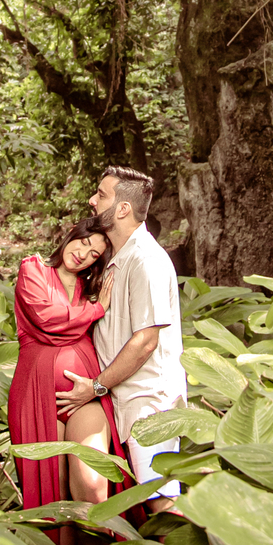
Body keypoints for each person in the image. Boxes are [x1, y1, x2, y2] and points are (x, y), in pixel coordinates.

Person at [7, 217, 133, 545]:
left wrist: (93, 306)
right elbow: (48, 320)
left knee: (92, 486)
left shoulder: (88, 288)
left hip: (84, 394)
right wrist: (95, 310)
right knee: (54, 497)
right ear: (70, 236)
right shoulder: (33, 270)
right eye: (83, 243)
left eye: (94, 254)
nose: (83, 254)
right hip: (36, 395)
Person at [61, 167, 187, 508]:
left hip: (147, 401)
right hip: (120, 397)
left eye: (101, 195)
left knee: (160, 502)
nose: (92, 200)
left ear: (123, 209)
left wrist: (96, 386)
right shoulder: (116, 255)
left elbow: (146, 341)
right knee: (141, 502)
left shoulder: (146, 259)